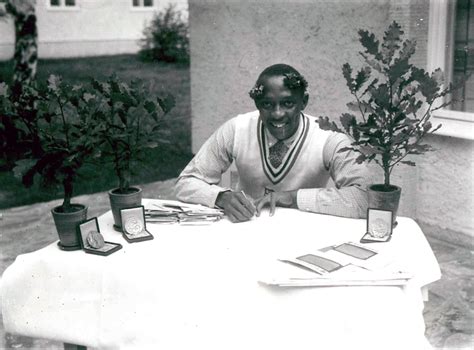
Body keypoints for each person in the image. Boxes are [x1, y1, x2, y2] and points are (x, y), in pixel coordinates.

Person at [175, 64, 373, 222]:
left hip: (306, 231)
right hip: (246, 227)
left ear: (303, 101)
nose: (277, 114)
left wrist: (292, 197)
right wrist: (221, 197)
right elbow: (186, 182)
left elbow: (365, 199)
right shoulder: (237, 129)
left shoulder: (329, 138)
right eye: (267, 105)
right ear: (257, 104)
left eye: (288, 103)